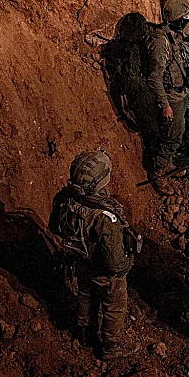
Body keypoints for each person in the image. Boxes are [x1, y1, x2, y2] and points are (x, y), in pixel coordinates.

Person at [49, 150, 137, 360]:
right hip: (103, 271)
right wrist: (129, 263)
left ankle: (85, 332)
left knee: (85, 295)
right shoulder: (106, 218)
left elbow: (54, 227)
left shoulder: (64, 198)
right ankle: (110, 347)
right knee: (114, 307)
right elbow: (115, 264)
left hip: (80, 261)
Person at [145, 0, 189, 195]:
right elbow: (154, 77)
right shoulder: (161, 41)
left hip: (181, 94)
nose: (188, 19)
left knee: (176, 133)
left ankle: (166, 161)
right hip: (171, 97)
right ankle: (158, 170)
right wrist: (165, 105)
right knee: (172, 137)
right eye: (186, 16)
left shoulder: (175, 35)